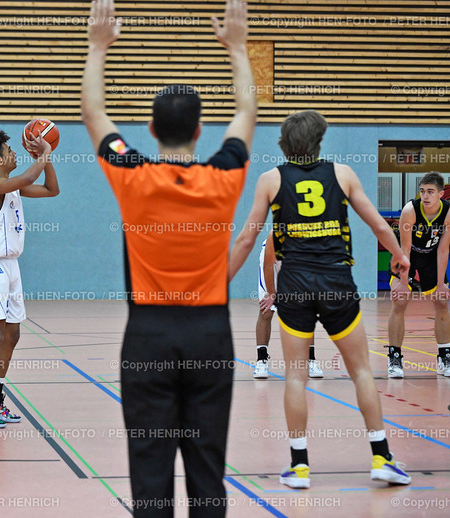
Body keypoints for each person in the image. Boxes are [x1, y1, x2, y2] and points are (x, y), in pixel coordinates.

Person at [82, 1, 256, 516]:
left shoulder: (133, 176)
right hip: (209, 336)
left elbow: (94, 112)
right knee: (208, 472)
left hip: (148, 337)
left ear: (151, 132)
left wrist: (97, 46)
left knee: (150, 474)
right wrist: (238, 47)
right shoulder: (224, 177)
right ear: (201, 131)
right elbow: (246, 111)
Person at [229, 110, 411, 489]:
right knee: (361, 370)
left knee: (295, 374)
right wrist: (400, 255)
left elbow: (247, 239)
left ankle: (298, 466)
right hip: (336, 283)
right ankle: (381, 458)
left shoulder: (270, 180)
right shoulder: (342, 174)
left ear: (285, 142)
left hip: (294, 283)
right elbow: (378, 223)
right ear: (319, 141)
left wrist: (218, 285)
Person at [0, 130, 59, 428]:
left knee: (13, 335)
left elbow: (51, 190)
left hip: (11, 267)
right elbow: (29, 179)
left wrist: (44, 159)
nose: (14, 153)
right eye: (9, 150)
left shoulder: (13, 188)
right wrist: (44, 152)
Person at [386, 172, 450, 378]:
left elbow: (442, 250)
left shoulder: (448, 213)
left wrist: (441, 284)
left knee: (441, 301)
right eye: (422, 191)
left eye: (430, 192)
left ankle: (444, 357)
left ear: (441, 194)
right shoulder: (410, 210)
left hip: (431, 257)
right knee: (400, 300)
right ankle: (395, 358)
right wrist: (403, 283)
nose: (425, 196)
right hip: (406, 255)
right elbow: (404, 250)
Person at [254, 230, 323, 379]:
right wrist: (272, 293)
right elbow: (267, 265)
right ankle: (261, 360)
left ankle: (310, 360)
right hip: (271, 261)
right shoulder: (277, 233)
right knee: (267, 309)